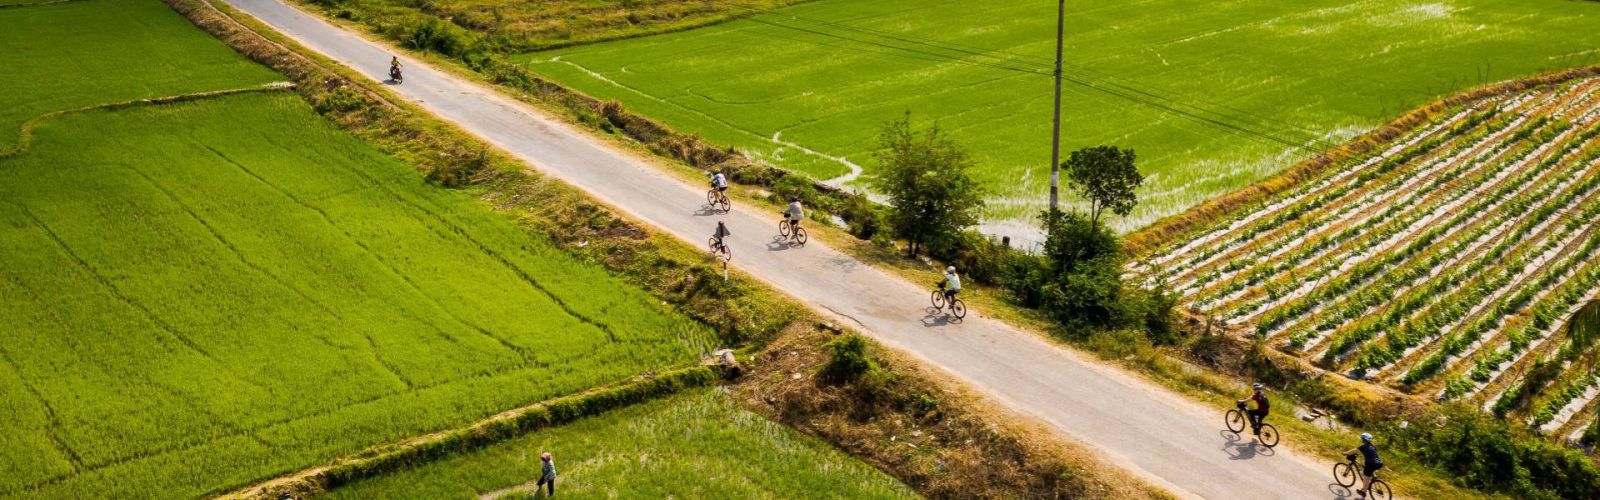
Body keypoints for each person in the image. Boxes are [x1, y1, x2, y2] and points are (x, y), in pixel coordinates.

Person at [1344, 433, 1383, 498]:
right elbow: (1371, 455)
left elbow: (1354, 451)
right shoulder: (1373, 446)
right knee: (1364, 466)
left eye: (1362, 438)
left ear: (1363, 439)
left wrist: (1345, 453)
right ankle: (1369, 480)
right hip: (1379, 463)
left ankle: (1363, 492)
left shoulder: (1363, 446)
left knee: (1366, 476)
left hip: (1372, 464)